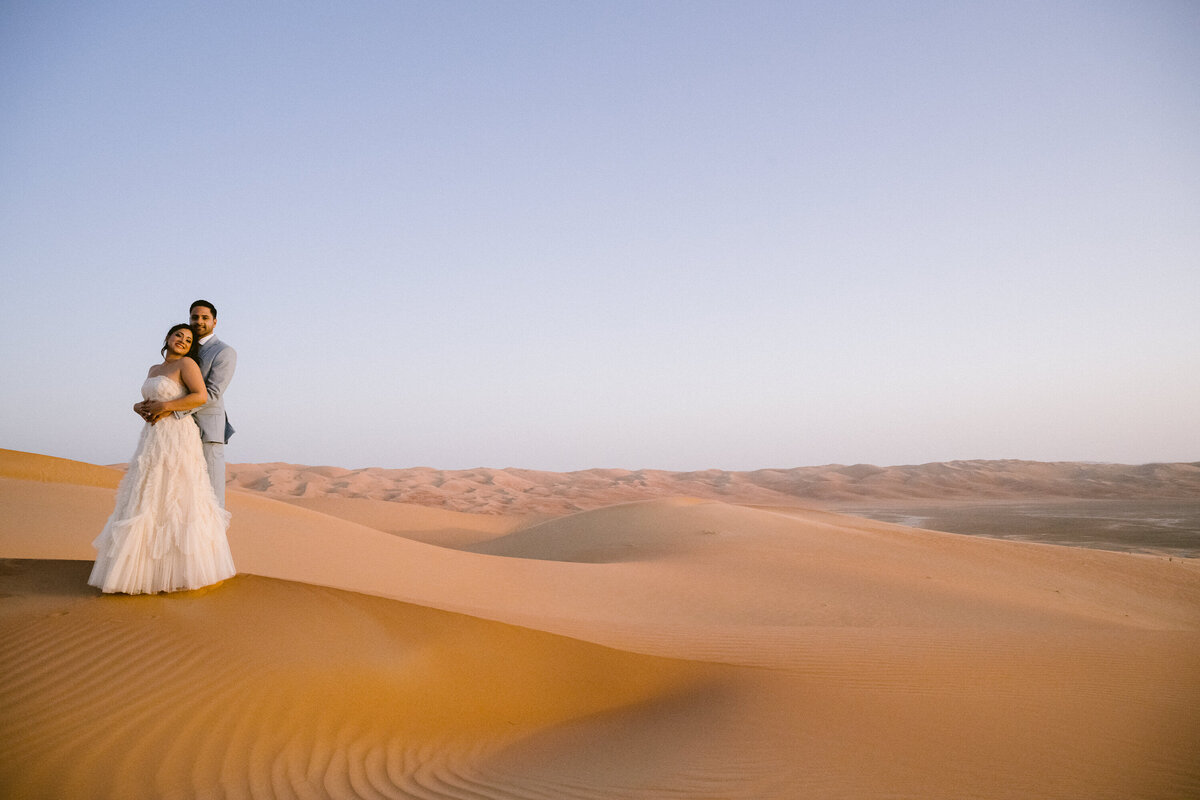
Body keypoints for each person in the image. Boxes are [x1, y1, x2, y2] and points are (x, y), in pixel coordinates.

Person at [89, 324, 236, 594]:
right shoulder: (153, 370)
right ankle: (142, 570)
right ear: (167, 337)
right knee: (147, 492)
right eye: (178, 335)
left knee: (176, 494)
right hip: (153, 436)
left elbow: (200, 396)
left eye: (188, 339)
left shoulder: (187, 363)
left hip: (178, 435)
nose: (182, 340)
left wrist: (166, 407)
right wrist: (138, 406)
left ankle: (179, 570)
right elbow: (150, 399)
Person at [138, 299, 236, 506]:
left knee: (210, 499)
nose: (199, 321)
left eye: (205, 318)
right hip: (174, 433)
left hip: (207, 431)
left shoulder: (224, 352)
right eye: (194, 317)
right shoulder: (184, 349)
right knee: (177, 496)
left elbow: (212, 393)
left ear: (215, 322)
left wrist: (170, 409)